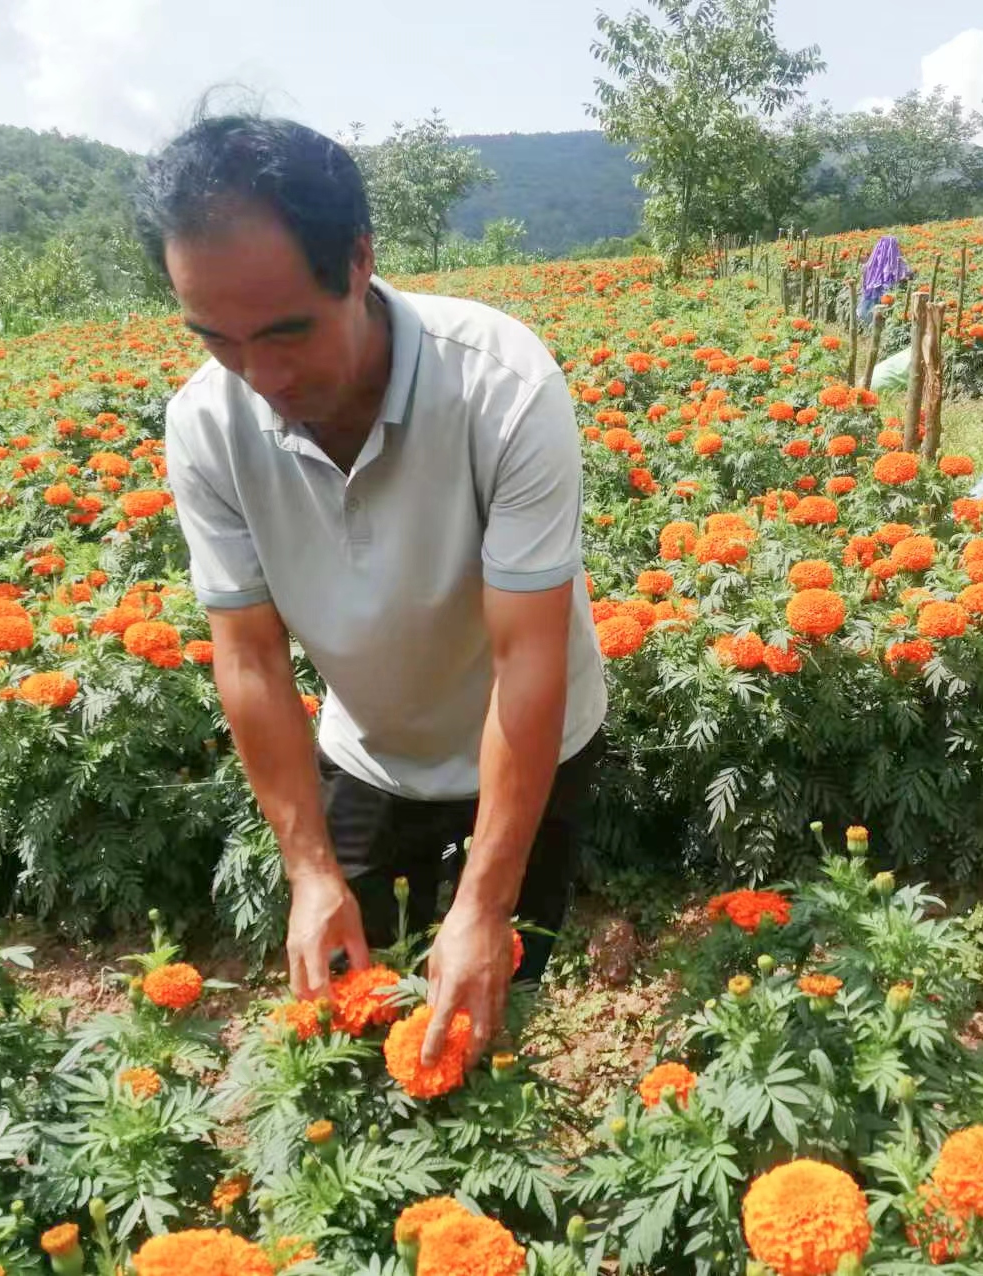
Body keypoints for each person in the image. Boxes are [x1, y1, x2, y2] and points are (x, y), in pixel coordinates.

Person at [136, 115, 607, 1067]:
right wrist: (308, 871)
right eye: (218, 341)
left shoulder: (502, 385)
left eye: (286, 332)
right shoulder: (204, 422)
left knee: (494, 1006)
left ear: (358, 260)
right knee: (346, 1018)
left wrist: (485, 902)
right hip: (368, 751)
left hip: (528, 741)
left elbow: (527, 656)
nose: (260, 377)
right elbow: (250, 653)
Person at [857, 234, 912, 324]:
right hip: (890, 305)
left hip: (871, 304)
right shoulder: (899, 264)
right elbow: (907, 275)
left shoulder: (871, 265)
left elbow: (864, 283)